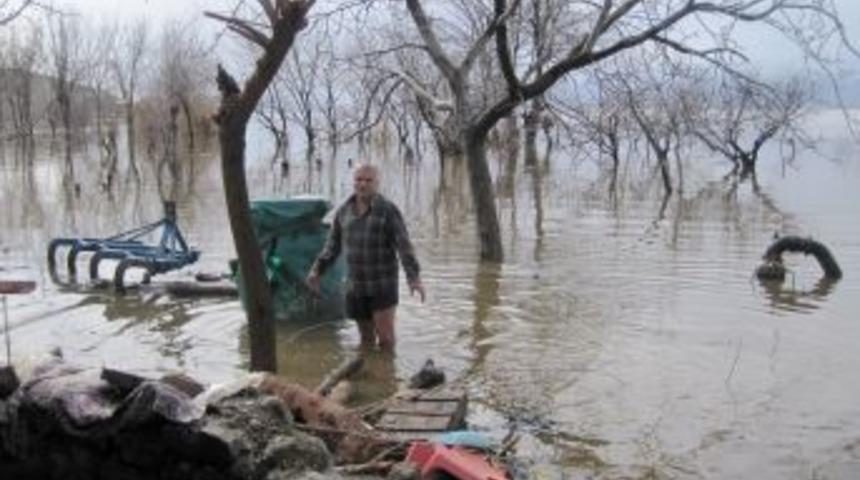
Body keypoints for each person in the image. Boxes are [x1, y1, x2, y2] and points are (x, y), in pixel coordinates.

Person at [306, 164, 425, 350]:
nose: (363, 184)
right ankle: (369, 375)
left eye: (368, 180)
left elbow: (404, 247)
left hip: (382, 285)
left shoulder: (387, 210)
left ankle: (388, 375)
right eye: (359, 180)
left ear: (377, 184)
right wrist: (316, 271)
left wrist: (414, 278)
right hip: (355, 286)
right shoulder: (343, 211)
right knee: (365, 340)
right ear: (353, 182)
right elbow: (332, 247)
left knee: (385, 339)